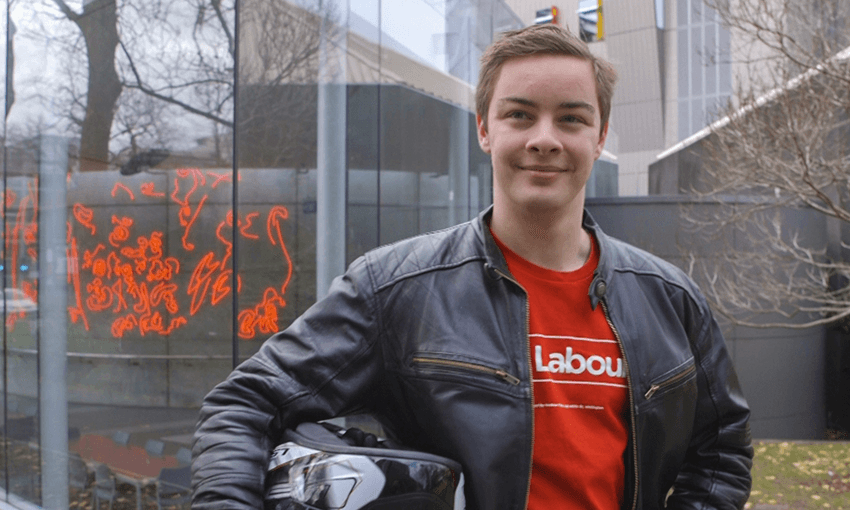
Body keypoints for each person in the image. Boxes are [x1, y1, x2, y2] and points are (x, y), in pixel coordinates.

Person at [192, 23, 753, 509]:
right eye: (520, 115)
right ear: (485, 128)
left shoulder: (670, 300)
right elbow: (244, 403)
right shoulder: (396, 289)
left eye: (571, 119)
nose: (544, 139)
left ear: (600, 135)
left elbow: (721, 448)